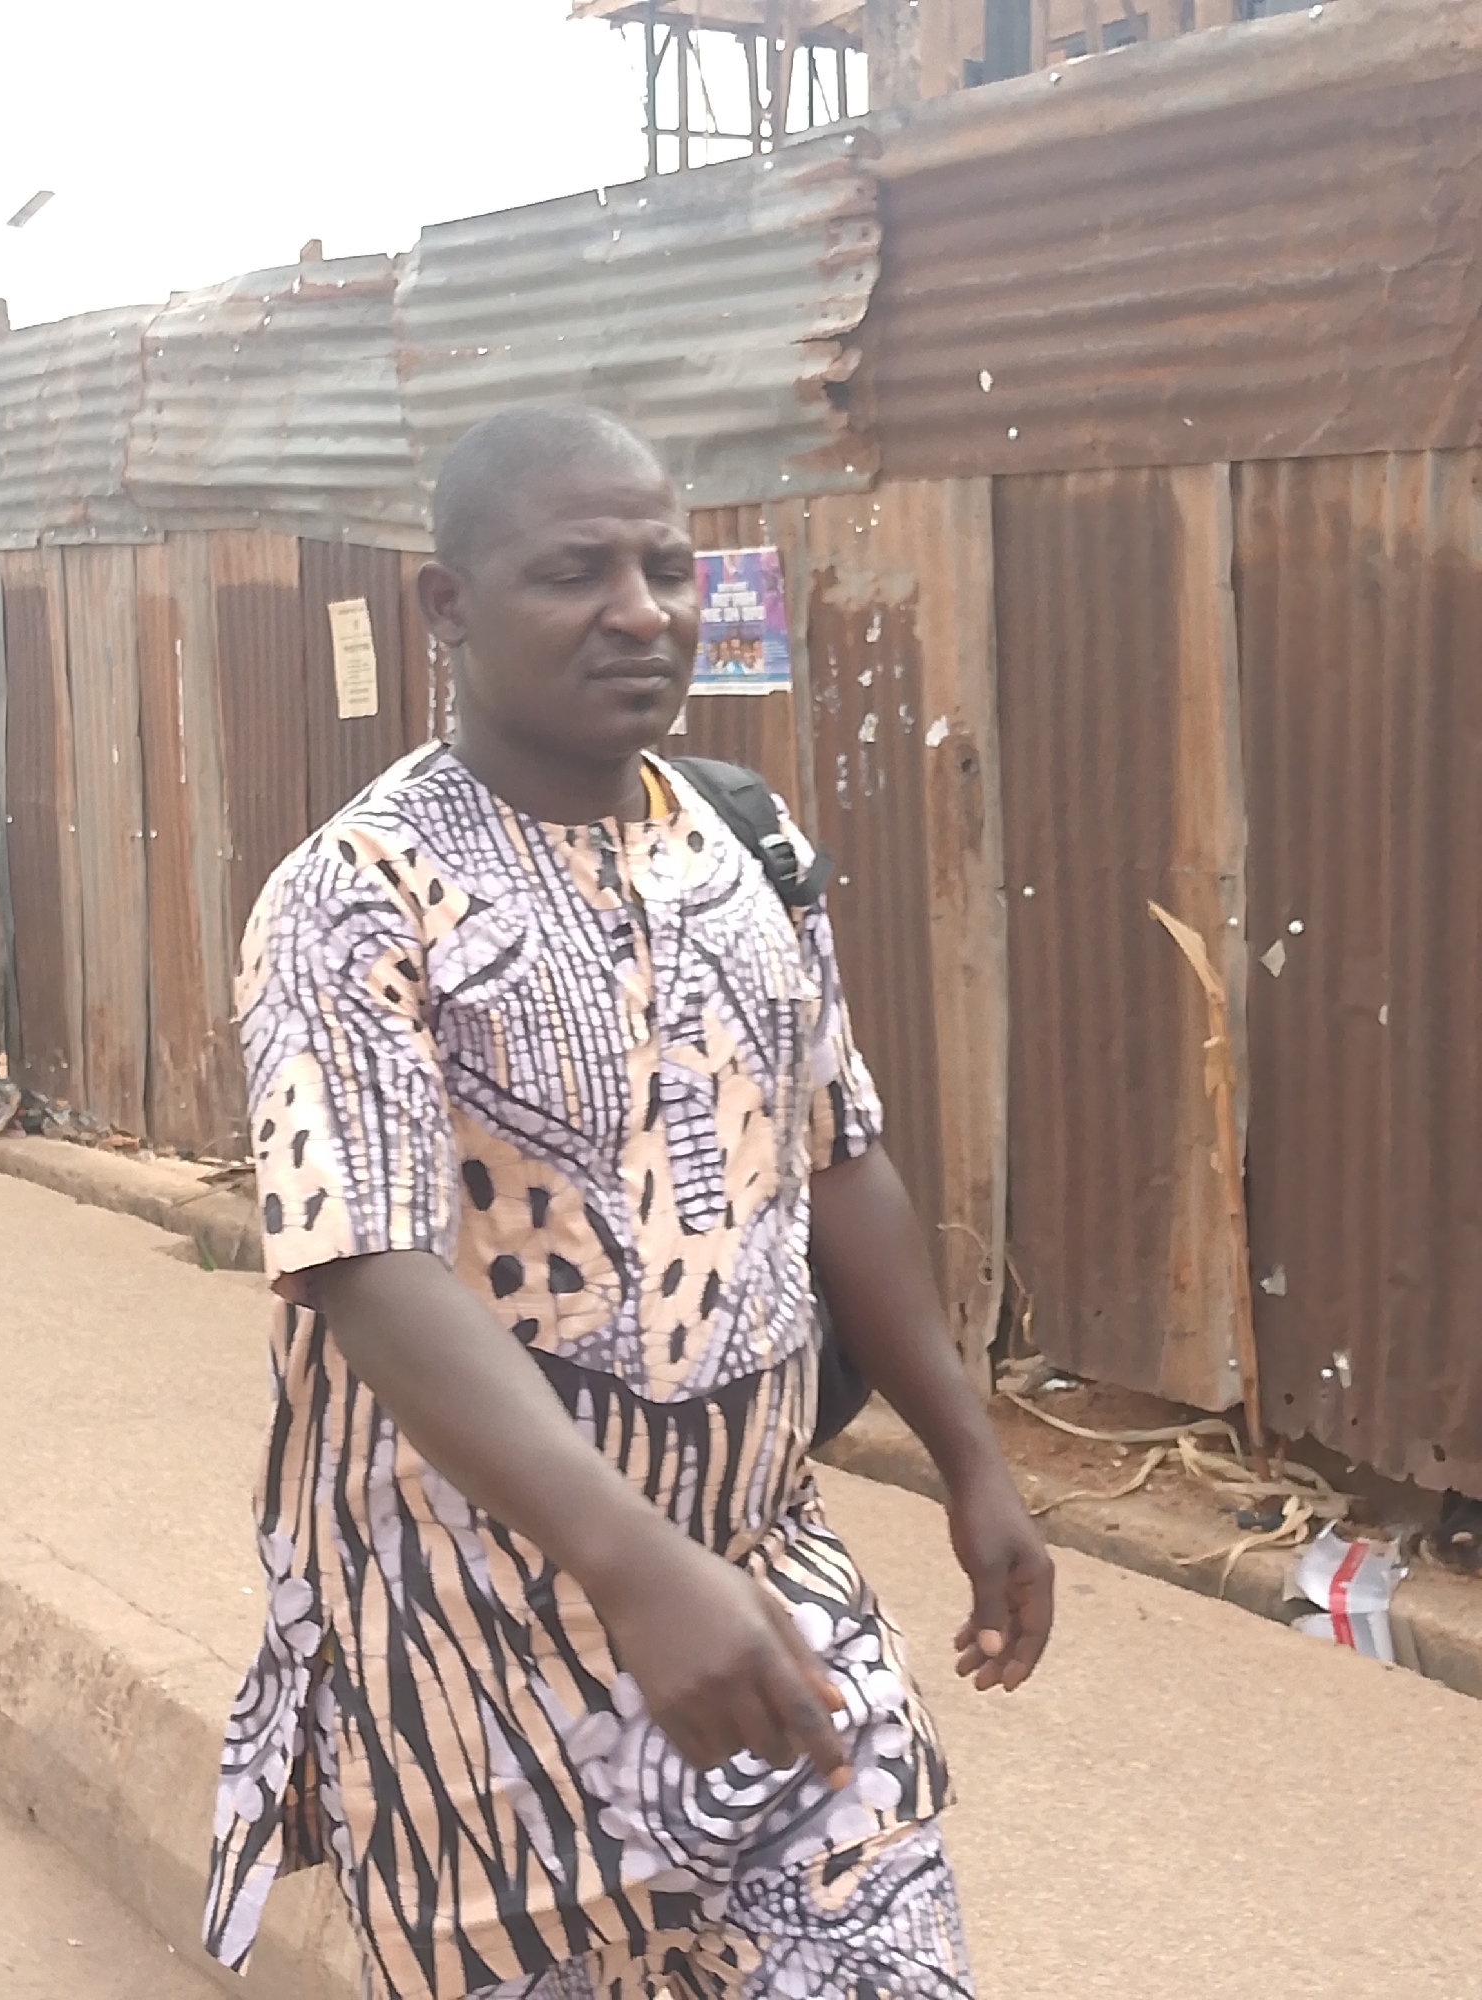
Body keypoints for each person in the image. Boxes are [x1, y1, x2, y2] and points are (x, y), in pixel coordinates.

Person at [205, 406, 1054, 2000]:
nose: (642, 611)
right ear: (447, 605)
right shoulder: (353, 894)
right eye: (574, 572)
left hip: (765, 1584)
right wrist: (633, 1564)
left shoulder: (746, 845)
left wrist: (973, 1461)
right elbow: (366, 1262)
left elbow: (839, 1156)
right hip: (470, 1646)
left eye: (668, 567)